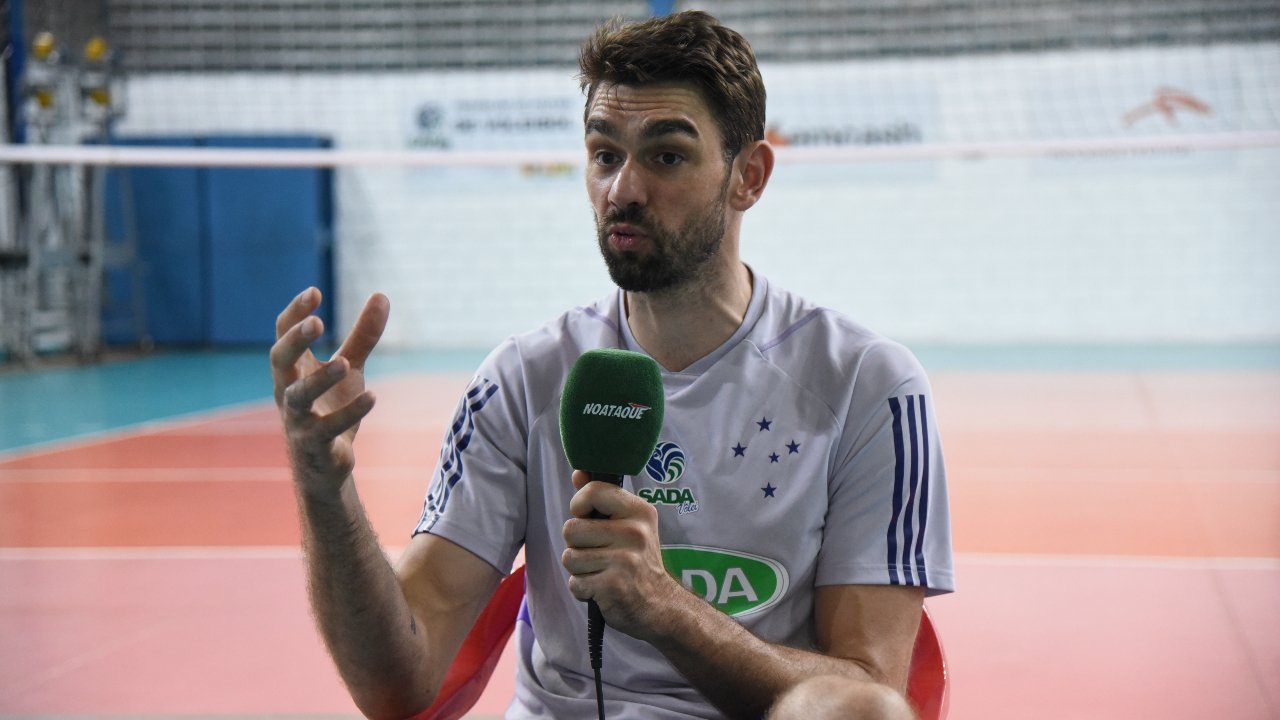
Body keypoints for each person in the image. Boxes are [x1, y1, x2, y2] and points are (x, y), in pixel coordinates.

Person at [271, 11, 953, 720]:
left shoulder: (867, 386)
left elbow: (871, 693)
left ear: (748, 176)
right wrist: (326, 492)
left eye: (666, 156)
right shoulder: (523, 378)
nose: (623, 189)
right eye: (604, 154)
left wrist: (664, 607)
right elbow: (396, 683)